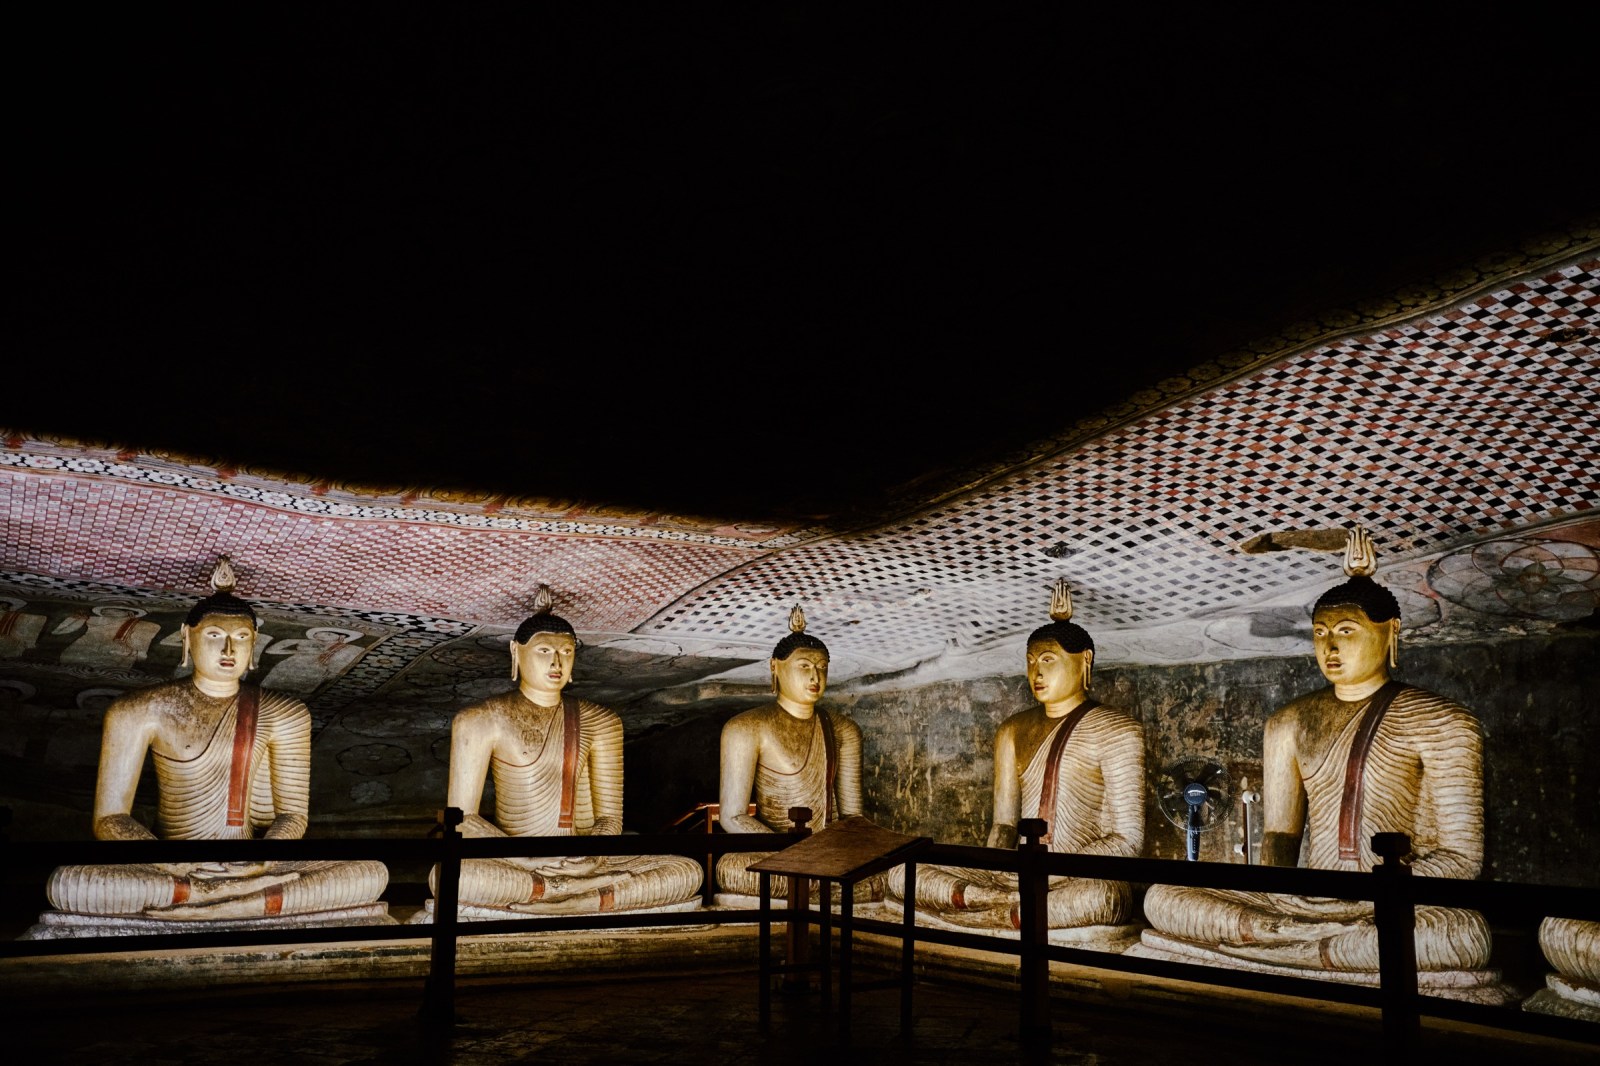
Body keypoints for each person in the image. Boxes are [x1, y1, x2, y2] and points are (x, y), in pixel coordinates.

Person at [1135, 527, 1494, 977]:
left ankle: (1279, 951)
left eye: (1347, 630)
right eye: (1320, 632)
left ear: (1390, 633)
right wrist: (1282, 896)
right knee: (1165, 898)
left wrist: (1376, 891)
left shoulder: (1441, 720)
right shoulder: (1288, 722)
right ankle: (1310, 949)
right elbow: (1280, 842)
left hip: (1389, 904)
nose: (1330, 646)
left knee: (1457, 932)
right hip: (1303, 901)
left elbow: (1462, 859)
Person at [38, 559, 390, 926]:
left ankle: (232, 901)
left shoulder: (284, 712)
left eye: (240, 638)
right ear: (186, 638)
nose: (228, 650)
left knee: (369, 872)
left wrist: (261, 862)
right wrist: (181, 865)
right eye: (213, 635)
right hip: (174, 867)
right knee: (71, 882)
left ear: (254, 645)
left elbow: (293, 815)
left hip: (257, 866)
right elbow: (111, 818)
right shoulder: (139, 710)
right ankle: (224, 899)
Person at [885, 579, 1145, 935]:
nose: (1036, 673)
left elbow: (1128, 840)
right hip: (1013, 874)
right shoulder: (1011, 730)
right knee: (903, 873)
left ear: (1085, 661)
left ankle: (982, 911)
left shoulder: (1117, 729)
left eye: (1049, 660)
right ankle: (1001, 909)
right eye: (1031, 661)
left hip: (1075, 879)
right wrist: (996, 871)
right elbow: (1004, 826)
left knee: (1105, 896)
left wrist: (1054, 868)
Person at [428, 590, 702, 916]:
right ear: (516, 652)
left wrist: (589, 856)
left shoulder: (601, 721)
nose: (556, 662)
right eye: (544, 651)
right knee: (451, 876)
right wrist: (528, 859)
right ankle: (573, 893)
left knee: (686, 871)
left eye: (566, 652)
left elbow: (609, 818)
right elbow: (463, 820)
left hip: (587, 860)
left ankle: (577, 898)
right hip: (518, 861)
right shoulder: (481, 720)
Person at [715, 605, 872, 901]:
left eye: (822, 667)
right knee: (731, 868)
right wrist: (795, 853)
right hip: (775, 854)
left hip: (827, 857)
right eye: (804, 666)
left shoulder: (843, 730)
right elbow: (733, 816)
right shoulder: (746, 727)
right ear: (776, 667)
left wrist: (835, 852)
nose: (816, 676)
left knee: (891, 874)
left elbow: (852, 817)